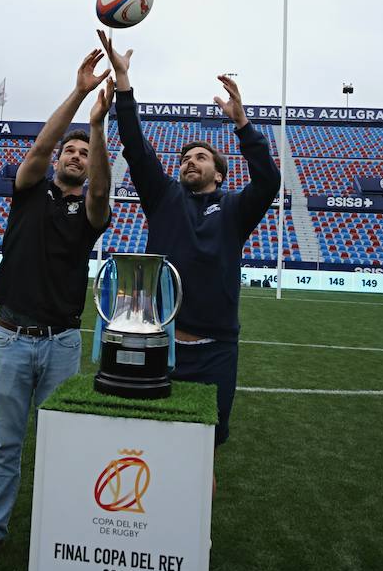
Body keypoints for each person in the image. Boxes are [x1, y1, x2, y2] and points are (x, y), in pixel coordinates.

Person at [0, 49, 113, 571]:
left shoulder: (91, 210)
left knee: (59, 443)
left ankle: (58, 530)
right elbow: (39, 151)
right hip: (11, 338)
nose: (74, 156)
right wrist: (79, 94)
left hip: (62, 342)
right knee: (7, 443)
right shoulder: (28, 193)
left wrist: (98, 131)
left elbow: (102, 192)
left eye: (82, 153)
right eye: (70, 151)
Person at [98, 29, 280, 452]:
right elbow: (136, 147)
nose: (188, 162)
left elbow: (269, 180)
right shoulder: (163, 198)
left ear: (219, 174)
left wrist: (242, 124)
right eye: (184, 158)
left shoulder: (235, 210)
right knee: (147, 444)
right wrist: (124, 85)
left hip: (216, 351)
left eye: (200, 158)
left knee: (204, 451)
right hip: (158, 342)